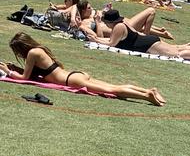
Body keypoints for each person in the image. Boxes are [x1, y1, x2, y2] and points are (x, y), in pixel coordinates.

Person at [0, 32, 166, 106]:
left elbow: (25, 78)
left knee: (113, 90)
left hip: (72, 80)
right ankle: (148, 90)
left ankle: (146, 96)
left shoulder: (32, 53)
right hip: (75, 75)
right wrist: (14, 69)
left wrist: (8, 72)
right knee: (112, 86)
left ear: (21, 47)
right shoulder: (38, 50)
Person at [93, 10, 190, 66]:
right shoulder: (123, 23)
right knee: (175, 48)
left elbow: (111, 44)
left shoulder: (118, 27)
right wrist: (97, 38)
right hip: (148, 41)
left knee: (177, 54)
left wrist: (96, 40)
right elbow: (111, 41)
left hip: (147, 45)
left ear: (110, 22)